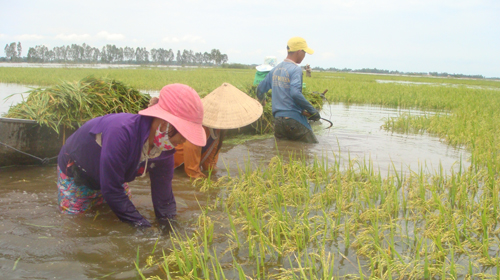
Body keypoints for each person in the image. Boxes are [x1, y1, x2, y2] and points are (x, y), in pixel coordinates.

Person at [56, 84, 206, 228]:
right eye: (183, 132)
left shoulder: (164, 151)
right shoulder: (121, 133)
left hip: (113, 178)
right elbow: (112, 190)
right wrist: (144, 228)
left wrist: (170, 229)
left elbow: (164, 198)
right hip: (78, 174)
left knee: (112, 216)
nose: (184, 140)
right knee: (76, 226)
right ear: (165, 122)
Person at [174, 83, 263, 178]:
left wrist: (223, 176)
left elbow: (209, 164)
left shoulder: (217, 131)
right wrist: (207, 187)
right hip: (174, 167)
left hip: (185, 166)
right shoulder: (195, 130)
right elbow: (192, 171)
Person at [256, 37, 320, 143]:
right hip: (294, 120)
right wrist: (313, 112)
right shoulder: (296, 69)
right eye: (304, 53)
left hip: (278, 122)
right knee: (311, 148)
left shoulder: (275, 69)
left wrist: (262, 102)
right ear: (299, 52)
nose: (304, 56)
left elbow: (260, 89)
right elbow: (295, 93)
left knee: (282, 152)